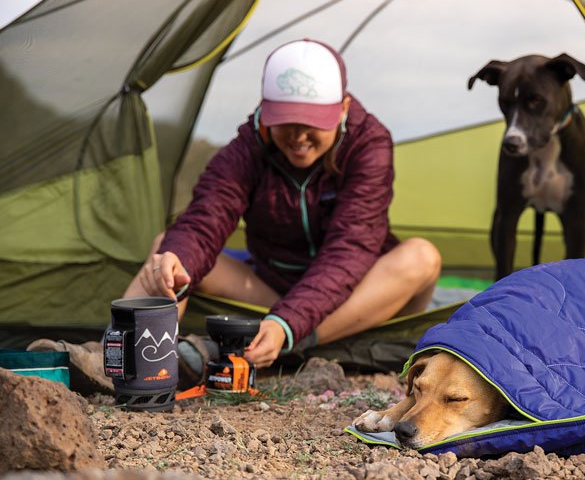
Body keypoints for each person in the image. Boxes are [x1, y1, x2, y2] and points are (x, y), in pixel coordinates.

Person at [35, 38, 440, 386]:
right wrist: (176, 258)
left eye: (312, 123)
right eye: (285, 122)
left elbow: (350, 250)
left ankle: (280, 345)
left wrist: (286, 323)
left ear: (343, 108)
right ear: (266, 111)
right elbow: (206, 218)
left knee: (422, 257)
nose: (298, 136)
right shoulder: (247, 147)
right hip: (275, 291)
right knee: (171, 252)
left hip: (354, 299)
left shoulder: (370, 145)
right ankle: (118, 361)